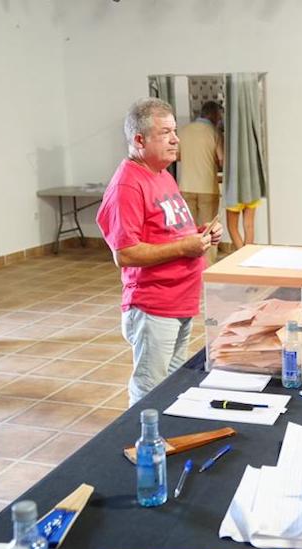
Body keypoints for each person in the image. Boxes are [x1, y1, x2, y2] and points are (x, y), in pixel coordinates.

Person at [97, 97, 222, 405]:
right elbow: (125, 254)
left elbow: (167, 231)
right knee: (150, 389)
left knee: (173, 385)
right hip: (154, 306)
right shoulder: (127, 185)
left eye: (174, 130)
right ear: (139, 140)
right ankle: (144, 446)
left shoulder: (162, 174)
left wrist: (200, 234)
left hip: (180, 300)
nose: (176, 139)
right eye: (166, 132)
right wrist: (185, 246)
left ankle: (166, 442)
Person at [177, 101, 224, 262]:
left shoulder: (183, 131)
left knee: (188, 230)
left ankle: (190, 266)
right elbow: (222, 159)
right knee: (209, 230)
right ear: (214, 115)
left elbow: (176, 156)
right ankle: (208, 267)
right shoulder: (214, 132)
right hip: (207, 188)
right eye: (219, 115)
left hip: (185, 187)